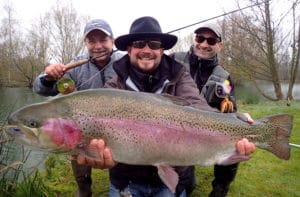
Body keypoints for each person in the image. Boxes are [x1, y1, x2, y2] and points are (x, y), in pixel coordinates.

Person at [76, 16, 255, 197]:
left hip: (172, 179)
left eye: (154, 44)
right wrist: (97, 153)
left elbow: (199, 107)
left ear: (162, 50)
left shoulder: (180, 76)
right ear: (129, 49)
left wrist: (232, 121)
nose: (147, 50)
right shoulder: (114, 86)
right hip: (125, 180)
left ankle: (220, 187)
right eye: (139, 43)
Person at [32, 19, 124, 197]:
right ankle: (84, 190)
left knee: (120, 169)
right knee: (81, 174)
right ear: (85, 44)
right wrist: (48, 78)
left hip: (117, 130)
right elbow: (40, 90)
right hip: (82, 131)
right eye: (91, 41)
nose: (97, 46)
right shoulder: (75, 65)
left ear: (113, 41)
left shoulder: (125, 62)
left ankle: (120, 187)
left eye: (103, 40)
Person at [171, 23, 242, 197]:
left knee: (232, 145)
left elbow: (230, 107)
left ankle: (220, 188)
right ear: (194, 39)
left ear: (220, 45)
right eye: (200, 38)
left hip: (206, 130)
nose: (204, 44)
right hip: (173, 128)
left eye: (211, 40)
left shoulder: (224, 78)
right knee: (184, 186)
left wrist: (228, 107)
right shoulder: (173, 60)